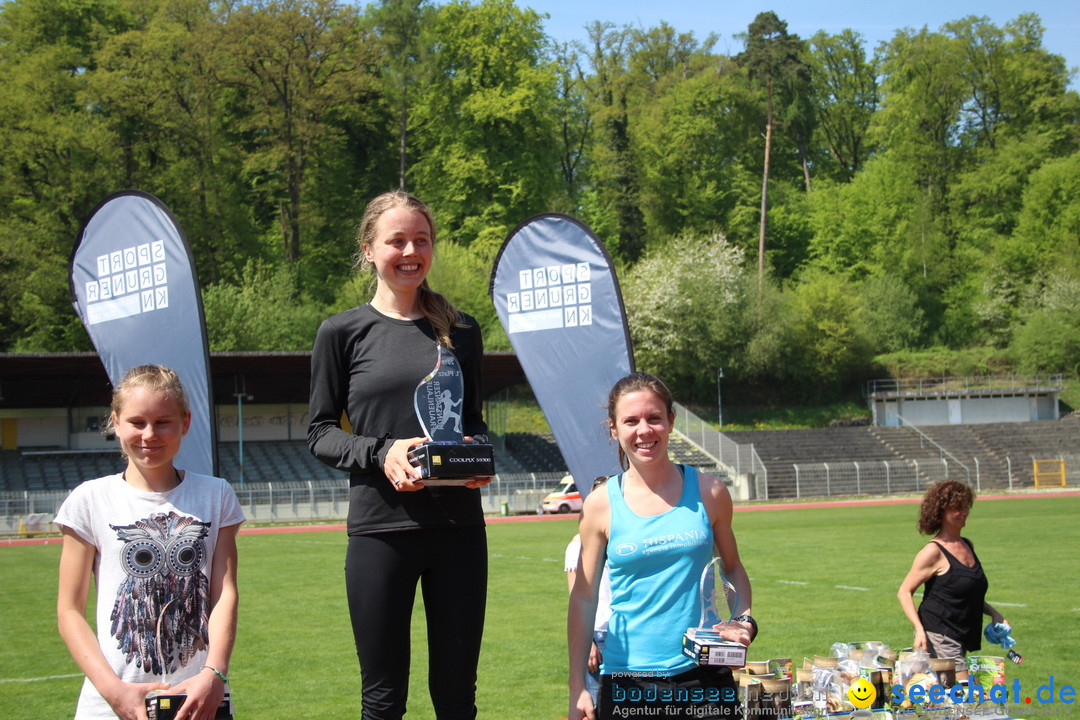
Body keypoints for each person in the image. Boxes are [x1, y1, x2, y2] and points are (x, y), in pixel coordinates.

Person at [307, 190, 492, 720]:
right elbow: (320, 433)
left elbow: (472, 418)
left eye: (422, 240)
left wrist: (478, 456)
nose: (411, 251)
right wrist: (382, 452)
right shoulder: (340, 333)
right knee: (383, 702)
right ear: (369, 249)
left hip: (458, 530)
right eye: (397, 241)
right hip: (380, 532)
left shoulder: (461, 330)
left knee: (457, 700)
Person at [55, 364, 244, 720]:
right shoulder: (89, 500)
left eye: (163, 422)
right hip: (112, 704)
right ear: (115, 422)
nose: (149, 434)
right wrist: (114, 692)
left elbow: (224, 593)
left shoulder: (215, 494)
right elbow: (69, 610)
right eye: (137, 421)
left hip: (201, 697)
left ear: (186, 423)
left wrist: (214, 674)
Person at [568, 372, 755, 720]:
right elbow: (583, 596)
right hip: (629, 683)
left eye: (654, 418)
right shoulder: (599, 505)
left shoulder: (710, 492)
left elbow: (732, 567)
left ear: (670, 421)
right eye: (630, 421)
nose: (644, 430)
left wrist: (743, 619)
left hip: (704, 677)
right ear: (613, 429)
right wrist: (577, 684)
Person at [897, 480, 1008, 681]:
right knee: (961, 696)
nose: (964, 512)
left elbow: (966, 595)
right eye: (957, 508)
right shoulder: (933, 551)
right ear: (941, 512)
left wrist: (995, 614)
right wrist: (920, 630)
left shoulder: (967, 545)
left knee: (950, 702)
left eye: (966, 506)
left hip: (961, 634)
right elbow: (904, 591)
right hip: (940, 634)